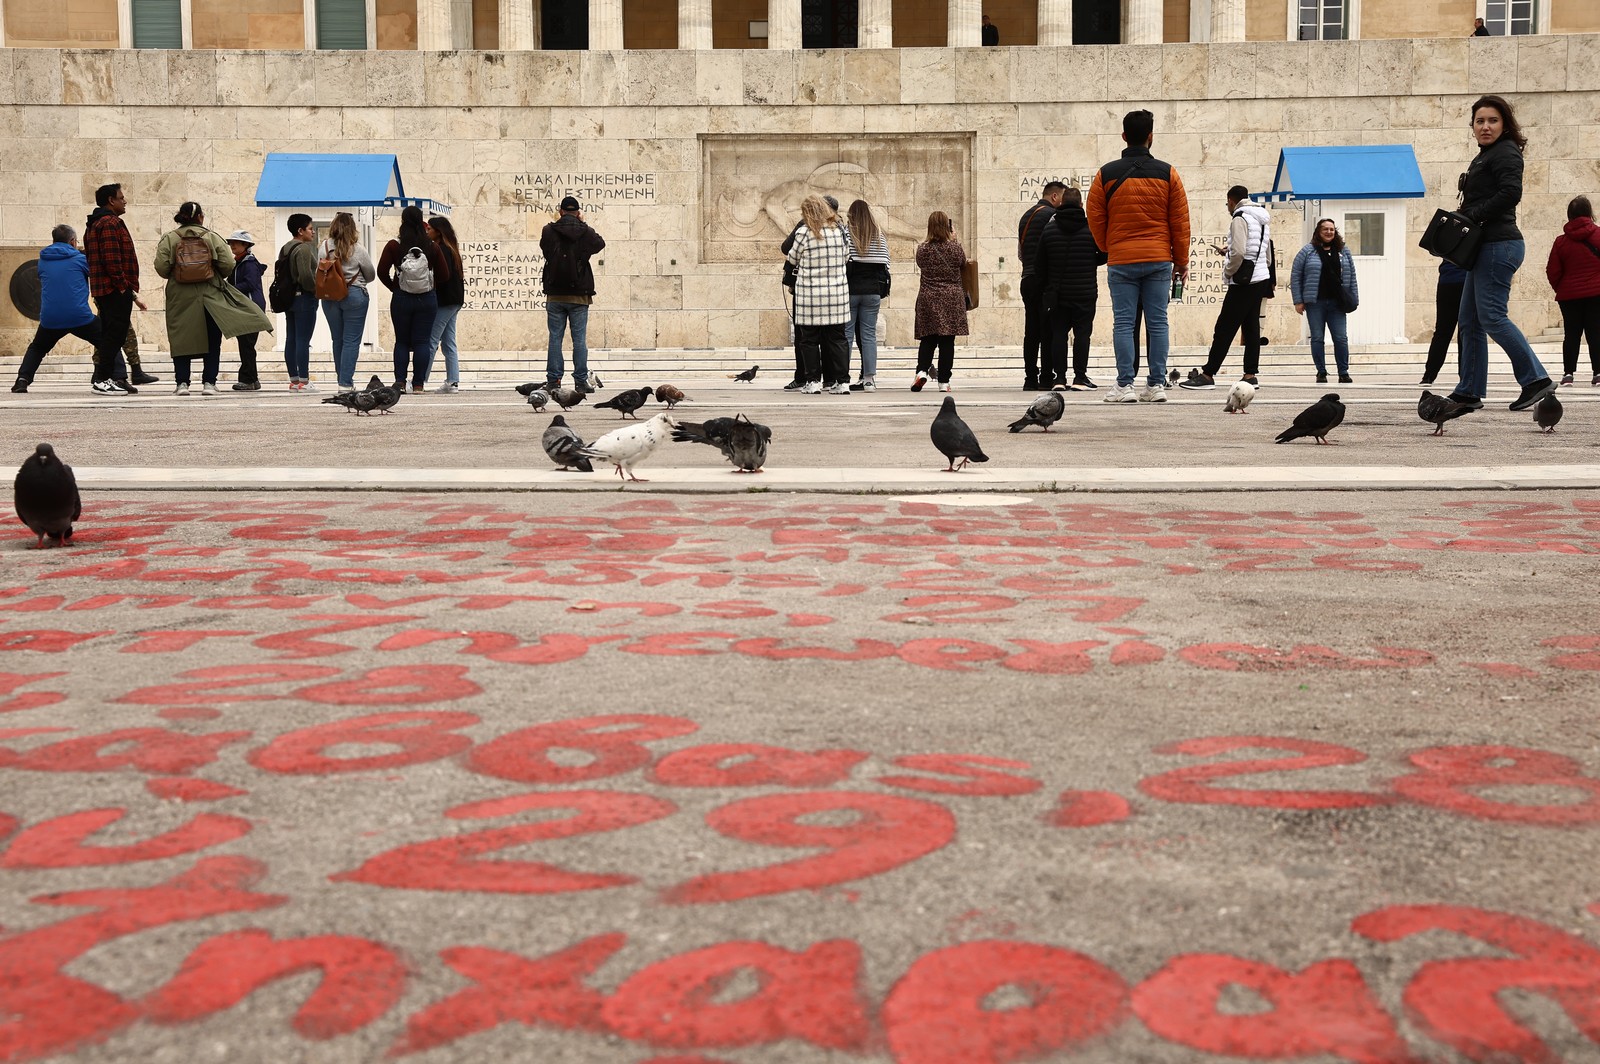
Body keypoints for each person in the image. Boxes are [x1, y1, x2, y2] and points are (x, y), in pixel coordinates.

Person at [1447, 94, 1555, 413]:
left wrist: (1474, 215)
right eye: (1480, 121)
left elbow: (1511, 193)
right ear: (1472, 126)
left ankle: (1535, 379)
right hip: (1485, 246)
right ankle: (1469, 390)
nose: (1485, 126)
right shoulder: (1485, 156)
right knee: (1469, 320)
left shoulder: (1506, 152)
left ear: (1504, 124)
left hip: (1499, 245)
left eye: (1493, 120)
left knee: (1492, 316)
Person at [1087, 108, 1190, 404]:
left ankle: (1124, 385)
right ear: (1150, 137)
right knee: (1158, 322)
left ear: (1123, 136)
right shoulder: (1168, 173)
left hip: (1121, 259)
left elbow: (1095, 216)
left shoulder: (1106, 174)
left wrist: (1109, 246)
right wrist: (1180, 260)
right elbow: (1180, 222)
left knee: (1124, 323)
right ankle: (1157, 384)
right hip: (1159, 258)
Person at [152, 201, 272, 396]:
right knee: (212, 339)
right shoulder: (212, 237)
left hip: (179, 296)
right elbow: (227, 265)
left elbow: (161, 268)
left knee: (181, 338)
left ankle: (182, 383)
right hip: (210, 295)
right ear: (200, 217)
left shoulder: (169, 239)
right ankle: (209, 382)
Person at [1180, 185, 1272, 390]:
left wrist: (1229, 272)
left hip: (1244, 282)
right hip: (1260, 278)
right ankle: (1250, 375)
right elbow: (1265, 252)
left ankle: (1208, 374)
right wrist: (1231, 252)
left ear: (1231, 200)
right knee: (1251, 328)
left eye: (1227, 203)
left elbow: (1239, 253)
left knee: (1224, 327)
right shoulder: (1261, 216)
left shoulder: (1239, 217)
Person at [11, 226, 102, 393]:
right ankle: (117, 377)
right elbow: (97, 274)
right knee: (107, 340)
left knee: (37, 348)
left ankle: (22, 380)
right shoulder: (80, 259)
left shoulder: (43, 260)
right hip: (79, 316)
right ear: (73, 241)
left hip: (50, 318)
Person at [1033, 187, 1105, 390]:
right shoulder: (1091, 229)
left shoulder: (1049, 229)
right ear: (1081, 205)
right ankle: (1080, 377)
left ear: (1062, 204)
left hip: (1058, 294)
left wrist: (1047, 287)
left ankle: (1059, 379)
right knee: (1083, 335)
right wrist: (1090, 260)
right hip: (1085, 292)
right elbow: (1104, 255)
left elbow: (1040, 264)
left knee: (1058, 335)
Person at [785, 194, 852, 394]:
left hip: (810, 296)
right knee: (838, 339)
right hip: (836, 295)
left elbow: (792, 257)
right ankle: (842, 381)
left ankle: (813, 381)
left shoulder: (804, 232)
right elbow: (847, 256)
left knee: (809, 340)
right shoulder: (839, 231)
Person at [83, 182, 146, 394]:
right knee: (114, 334)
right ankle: (102, 379)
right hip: (113, 290)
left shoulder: (95, 223)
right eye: (121, 197)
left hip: (105, 289)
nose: (124, 200)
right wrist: (123, 287)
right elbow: (112, 259)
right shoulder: (109, 222)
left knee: (113, 334)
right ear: (111, 200)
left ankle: (109, 378)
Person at [540, 195, 605, 394]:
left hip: (555, 294)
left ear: (560, 211)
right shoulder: (585, 231)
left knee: (555, 339)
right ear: (578, 212)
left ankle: (553, 380)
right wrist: (582, 224)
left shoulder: (548, 230)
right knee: (579, 340)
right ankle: (580, 381)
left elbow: (545, 250)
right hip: (579, 294)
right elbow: (599, 243)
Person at [378, 205, 444, 393]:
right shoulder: (432, 246)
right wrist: (430, 286)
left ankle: (400, 382)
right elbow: (445, 274)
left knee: (402, 342)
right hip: (427, 299)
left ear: (403, 222)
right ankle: (418, 384)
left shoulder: (394, 245)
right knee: (422, 342)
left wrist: (394, 287)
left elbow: (381, 271)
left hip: (402, 298)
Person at [1290, 217, 1359, 384]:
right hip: (1315, 303)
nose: (1329, 232)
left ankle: (1343, 372)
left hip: (1337, 303)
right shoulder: (1307, 251)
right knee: (1317, 338)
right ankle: (1321, 372)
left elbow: (1352, 277)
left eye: (1332, 229)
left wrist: (1354, 298)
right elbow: (1296, 276)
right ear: (1318, 232)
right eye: (1325, 229)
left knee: (1341, 338)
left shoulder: (1344, 251)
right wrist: (1298, 301)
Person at [317, 212, 377, 393]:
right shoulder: (358, 249)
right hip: (355, 295)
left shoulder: (325, 246)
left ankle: (342, 380)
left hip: (330, 296)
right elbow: (371, 275)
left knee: (338, 339)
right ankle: (345, 383)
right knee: (351, 341)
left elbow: (318, 269)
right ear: (353, 228)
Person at [912, 210, 969, 393]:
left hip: (928, 297)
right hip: (951, 297)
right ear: (948, 226)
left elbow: (921, 264)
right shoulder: (954, 247)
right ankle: (943, 381)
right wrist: (954, 240)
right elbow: (962, 263)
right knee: (947, 342)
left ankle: (921, 371)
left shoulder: (922, 249)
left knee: (927, 339)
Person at [1546, 194, 1600, 387]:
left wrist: (1562, 288)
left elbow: (1552, 270)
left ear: (1569, 215)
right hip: (1596, 294)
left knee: (1571, 334)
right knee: (1596, 333)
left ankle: (1568, 374)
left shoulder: (1561, 241)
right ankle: (1598, 373)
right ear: (1589, 213)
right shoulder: (1599, 234)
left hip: (1569, 296)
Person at [1018, 181, 1066, 390]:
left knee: (1031, 332)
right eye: (1062, 199)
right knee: (1047, 331)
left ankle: (1030, 378)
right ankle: (1046, 377)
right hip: (1043, 280)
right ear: (1054, 197)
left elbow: (1020, 253)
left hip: (1027, 279)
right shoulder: (1051, 216)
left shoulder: (1025, 217)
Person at [845, 199, 890, 393]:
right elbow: (886, 265)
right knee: (869, 335)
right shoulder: (879, 235)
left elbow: (841, 261)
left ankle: (842, 377)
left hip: (850, 291)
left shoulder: (847, 234)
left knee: (846, 335)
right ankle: (869, 379)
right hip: (872, 291)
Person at [277, 213, 319, 391]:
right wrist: (316, 290)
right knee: (303, 339)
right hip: (304, 297)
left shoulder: (285, 248)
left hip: (289, 298)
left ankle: (294, 379)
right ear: (300, 231)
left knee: (291, 338)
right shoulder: (303, 249)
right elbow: (305, 275)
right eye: (310, 229)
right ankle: (304, 380)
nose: (313, 232)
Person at [426, 215, 465, 393]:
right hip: (453, 300)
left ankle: (420, 379)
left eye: (429, 229)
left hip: (445, 300)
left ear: (438, 232)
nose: (427, 231)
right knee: (448, 341)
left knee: (431, 341)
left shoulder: (442, 249)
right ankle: (452, 381)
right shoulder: (451, 248)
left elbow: (443, 277)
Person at [224, 230, 265, 392]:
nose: (232, 245)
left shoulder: (248, 263)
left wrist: (229, 289)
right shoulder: (241, 263)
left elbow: (249, 284)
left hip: (250, 309)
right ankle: (252, 379)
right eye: (231, 242)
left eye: (236, 242)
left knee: (247, 345)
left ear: (245, 245)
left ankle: (248, 379)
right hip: (246, 309)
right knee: (246, 344)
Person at [1420, 260, 1468, 386]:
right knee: (1466, 331)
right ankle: (1465, 377)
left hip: (1447, 279)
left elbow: (1434, 248)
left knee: (1442, 331)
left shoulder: (1448, 238)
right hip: (1467, 280)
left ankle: (1429, 376)